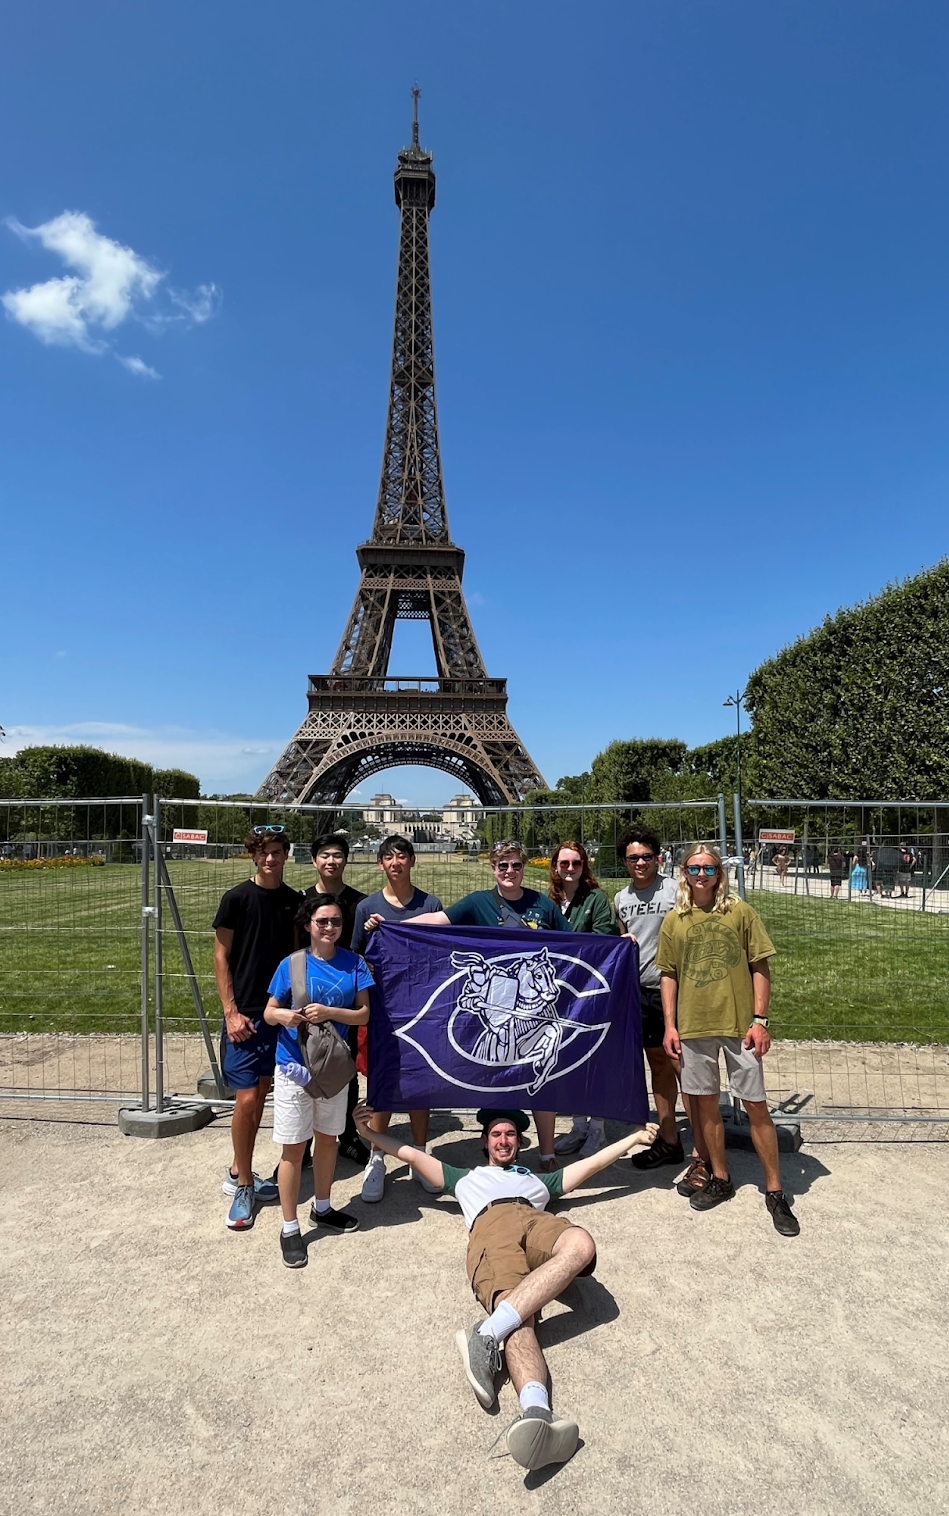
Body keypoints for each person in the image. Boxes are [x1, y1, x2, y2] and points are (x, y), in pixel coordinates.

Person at [352, 1100, 658, 1471]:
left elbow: (587, 1167)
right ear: (485, 1142)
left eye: (510, 1134)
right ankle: (537, 1414)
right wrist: (368, 1133)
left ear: (519, 1142)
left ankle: (486, 1333)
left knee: (581, 1245)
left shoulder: (537, 1180)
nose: (503, 1139)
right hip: (491, 1225)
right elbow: (412, 1157)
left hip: (535, 1218)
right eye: (496, 1134)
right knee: (521, 1317)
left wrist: (633, 1138)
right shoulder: (465, 1178)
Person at [362, 838, 568, 1170]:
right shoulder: (478, 902)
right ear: (493, 868)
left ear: (524, 866)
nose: (510, 871)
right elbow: (439, 922)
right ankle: (496, 1144)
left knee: (544, 1072)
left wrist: (617, 942)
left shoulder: (543, 905)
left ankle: (547, 1153)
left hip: (535, 1006)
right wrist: (395, 926)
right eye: (503, 865)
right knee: (494, 1076)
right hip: (500, 1006)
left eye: (516, 865)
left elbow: (575, 943)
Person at [657, 843, 800, 1237]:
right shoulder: (675, 920)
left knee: (756, 1105)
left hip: (739, 1026)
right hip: (693, 1025)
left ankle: (775, 1190)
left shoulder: (740, 912)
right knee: (705, 1108)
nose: (701, 875)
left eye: (708, 868)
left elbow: (760, 966)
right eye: (694, 868)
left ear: (719, 873)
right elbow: (668, 974)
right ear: (683, 872)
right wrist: (670, 1025)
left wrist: (760, 1019)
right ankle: (720, 1175)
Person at [588, 824, 710, 1194]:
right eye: (632, 858)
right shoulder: (621, 898)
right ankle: (670, 1139)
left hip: (678, 990)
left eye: (646, 857)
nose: (640, 863)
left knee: (685, 1069)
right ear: (624, 861)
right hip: (640, 992)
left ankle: (703, 1155)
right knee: (658, 1064)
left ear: (658, 858)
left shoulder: (677, 890)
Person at [263, 893, 372, 1267]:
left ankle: (322, 1207)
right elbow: (269, 1011)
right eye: (322, 921)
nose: (330, 928)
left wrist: (328, 1011)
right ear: (308, 924)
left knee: (328, 1140)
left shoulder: (354, 963)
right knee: (294, 1149)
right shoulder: (291, 965)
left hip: (333, 1070)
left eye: (336, 922)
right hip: (294, 1066)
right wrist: (284, 1018)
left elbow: (363, 1015)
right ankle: (289, 1227)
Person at [213, 827, 302, 1230]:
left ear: (286, 855)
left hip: (279, 1013)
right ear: (254, 856)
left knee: (262, 1092)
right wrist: (230, 1011)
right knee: (247, 1099)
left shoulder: (294, 902)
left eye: (277, 852)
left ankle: (238, 1166)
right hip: (247, 1013)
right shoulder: (236, 898)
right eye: (264, 853)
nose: (271, 859)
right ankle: (245, 1183)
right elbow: (221, 956)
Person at [350, 835, 444, 1203]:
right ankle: (377, 1154)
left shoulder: (431, 904)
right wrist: (375, 933)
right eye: (388, 857)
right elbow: (356, 958)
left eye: (402, 856)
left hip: (421, 1006)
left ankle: (420, 1152)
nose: (395, 863)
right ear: (380, 864)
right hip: (382, 1009)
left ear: (412, 861)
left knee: (421, 1080)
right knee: (382, 1081)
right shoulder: (366, 908)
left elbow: (442, 953)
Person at [545, 840, 617, 1160]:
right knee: (568, 1060)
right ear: (555, 867)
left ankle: (598, 1128)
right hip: (558, 994)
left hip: (588, 992)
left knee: (595, 1061)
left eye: (575, 863)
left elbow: (604, 940)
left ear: (583, 865)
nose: (570, 869)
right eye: (564, 864)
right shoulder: (551, 902)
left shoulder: (597, 900)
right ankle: (578, 1125)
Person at [305, 833, 368, 1165]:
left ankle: (346, 1133)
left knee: (345, 1064)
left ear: (346, 860)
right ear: (315, 860)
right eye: (325, 855)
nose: (331, 861)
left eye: (338, 855)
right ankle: (300, 1144)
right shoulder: (301, 900)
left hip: (346, 990)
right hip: (307, 992)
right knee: (305, 1063)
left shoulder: (360, 903)